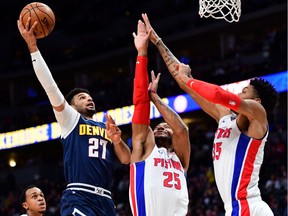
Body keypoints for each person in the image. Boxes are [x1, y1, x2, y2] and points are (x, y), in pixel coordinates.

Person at [141, 13, 278, 216]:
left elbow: (216, 93)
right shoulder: (225, 117)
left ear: (256, 101)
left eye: (245, 91)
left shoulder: (258, 114)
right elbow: (184, 81)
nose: (239, 92)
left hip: (251, 206)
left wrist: (189, 80)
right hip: (233, 209)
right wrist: (158, 42)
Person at [17, 16, 131, 215]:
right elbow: (50, 87)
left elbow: (126, 159)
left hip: (106, 199)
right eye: (82, 97)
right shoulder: (70, 120)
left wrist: (118, 140)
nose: (88, 99)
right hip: (80, 195)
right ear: (71, 105)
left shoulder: (106, 128)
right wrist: (33, 47)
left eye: (89, 97)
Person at [129, 20, 190, 216]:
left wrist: (155, 99)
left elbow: (181, 130)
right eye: (157, 127)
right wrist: (142, 53)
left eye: (166, 126)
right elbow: (140, 104)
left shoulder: (180, 158)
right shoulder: (144, 147)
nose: (161, 128)